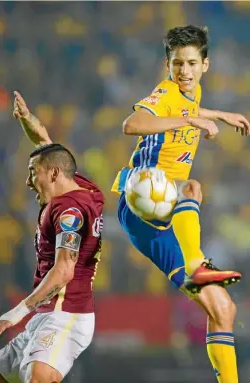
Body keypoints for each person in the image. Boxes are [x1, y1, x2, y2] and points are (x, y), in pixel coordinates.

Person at [111, 26, 250, 383]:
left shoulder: (191, 91)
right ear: (167, 64)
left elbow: (190, 104)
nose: (184, 71)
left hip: (159, 218)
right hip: (141, 196)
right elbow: (132, 124)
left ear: (206, 64)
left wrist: (218, 114)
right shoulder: (166, 90)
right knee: (192, 187)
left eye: (191, 63)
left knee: (223, 309)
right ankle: (196, 264)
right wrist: (192, 119)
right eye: (176, 64)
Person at [0, 104, 104, 382]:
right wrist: (27, 119)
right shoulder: (85, 189)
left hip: (66, 315)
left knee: (38, 378)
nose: (28, 182)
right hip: (46, 314)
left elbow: (64, 270)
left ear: (53, 174)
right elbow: (45, 144)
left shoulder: (69, 211)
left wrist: (18, 311)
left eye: (32, 173)